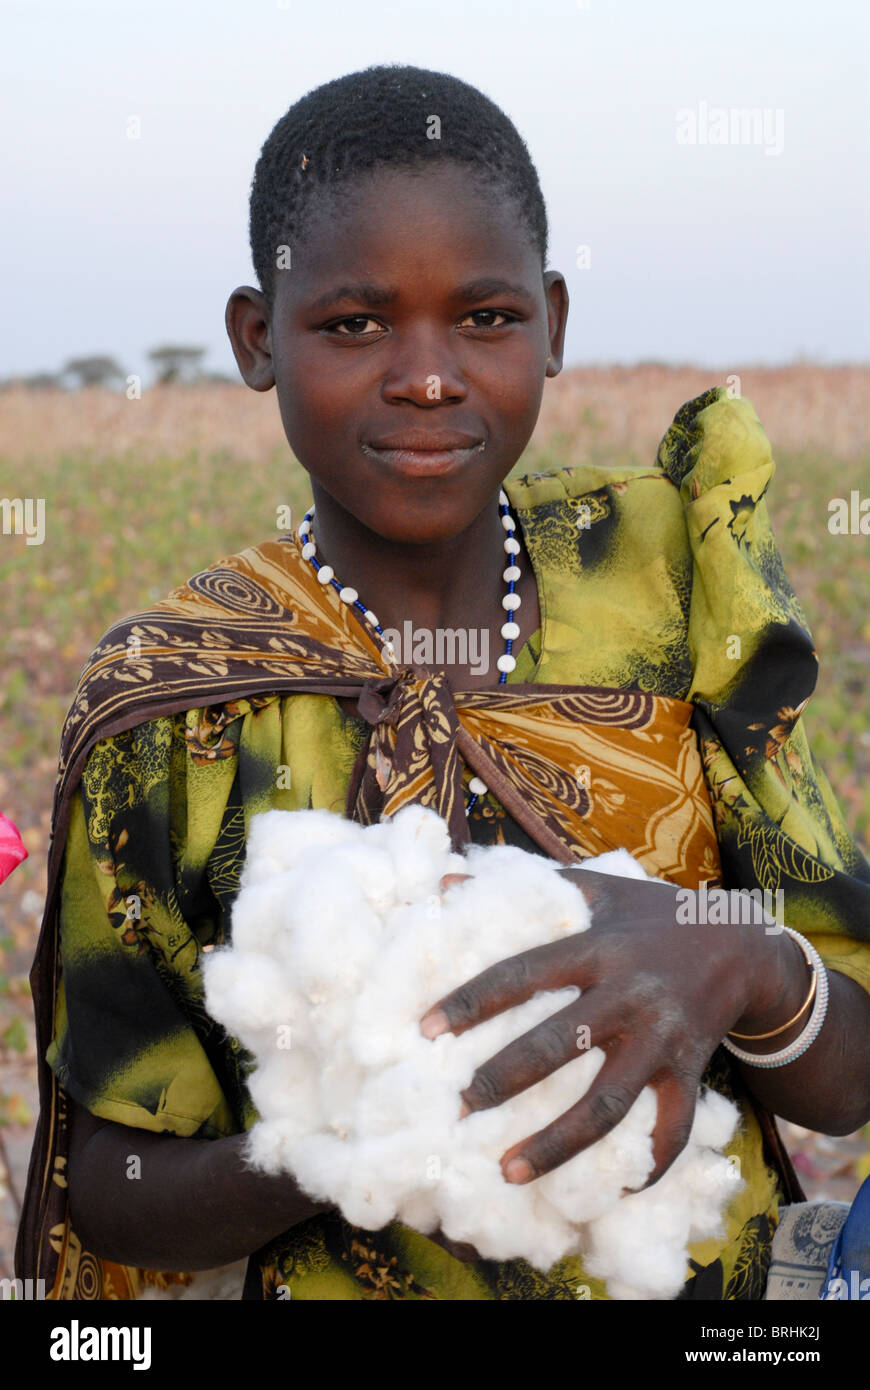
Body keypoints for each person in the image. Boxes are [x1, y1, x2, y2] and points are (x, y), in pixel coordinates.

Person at [16, 63, 870, 1302]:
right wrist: (358, 1128)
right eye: (355, 325)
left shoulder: (670, 582)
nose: (427, 375)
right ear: (259, 338)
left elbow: (848, 1070)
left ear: (555, 323)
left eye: (485, 317)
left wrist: (738, 956)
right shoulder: (180, 703)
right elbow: (114, 1184)